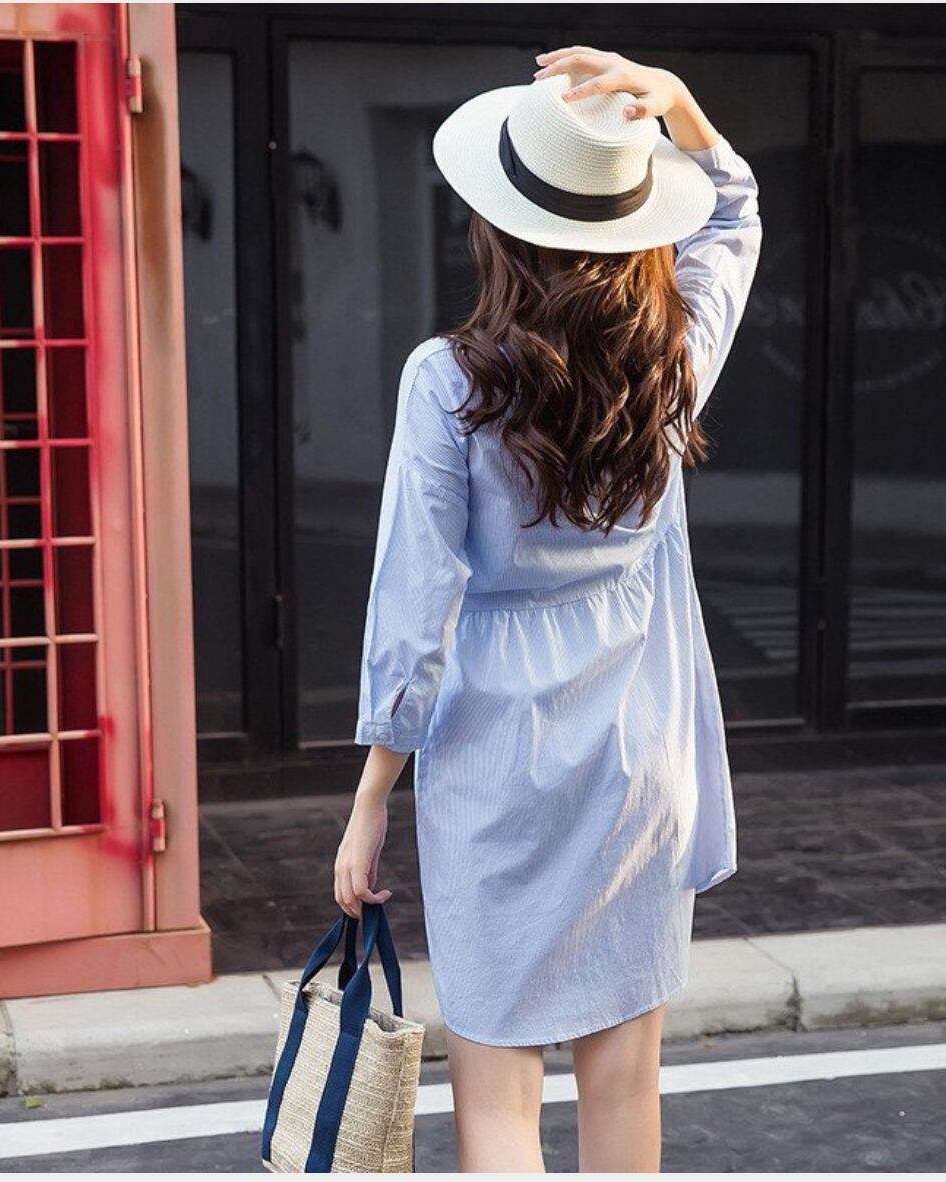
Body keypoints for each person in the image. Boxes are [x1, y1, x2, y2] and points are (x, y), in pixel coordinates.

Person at [335, 45, 761, 1172]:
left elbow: (415, 602)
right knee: (623, 1090)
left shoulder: (448, 382)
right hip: (638, 750)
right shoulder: (668, 363)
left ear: (497, 228)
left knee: (498, 1107)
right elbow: (734, 214)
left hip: (494, 762)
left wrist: (373, 797)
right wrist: (678, 101)